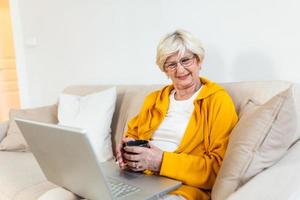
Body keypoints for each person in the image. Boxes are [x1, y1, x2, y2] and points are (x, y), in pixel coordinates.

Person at [116, 29, 238, 200]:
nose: (180, 69)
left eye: (185, 60)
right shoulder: (154, 99)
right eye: (171, 64)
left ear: (199, 60)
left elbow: (217, 169)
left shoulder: (217, 100)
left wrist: (161, 161)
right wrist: (127, 151)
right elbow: (133, 134)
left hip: (181, 188)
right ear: (165, 70)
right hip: (141, 181)